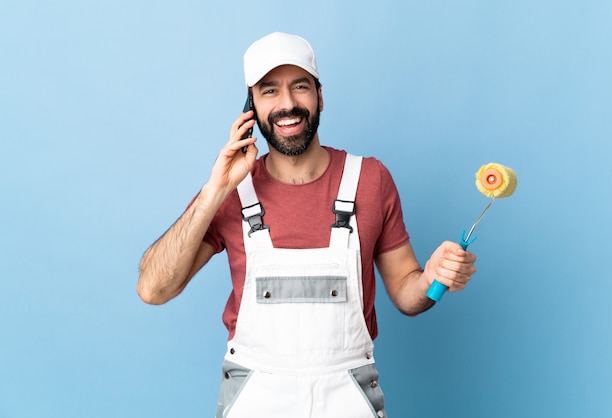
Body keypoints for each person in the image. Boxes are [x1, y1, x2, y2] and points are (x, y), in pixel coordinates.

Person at [137, 32, 477, 418]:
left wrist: (432, 279)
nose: (287, 104)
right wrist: (215, 189)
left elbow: (406, 293)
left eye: (300, 87)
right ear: (251, 107)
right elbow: (153, 289)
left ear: (320, 96)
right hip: (254, 396)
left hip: (349, 397)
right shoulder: (232, 190)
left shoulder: (370, 179)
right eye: (269, 91)